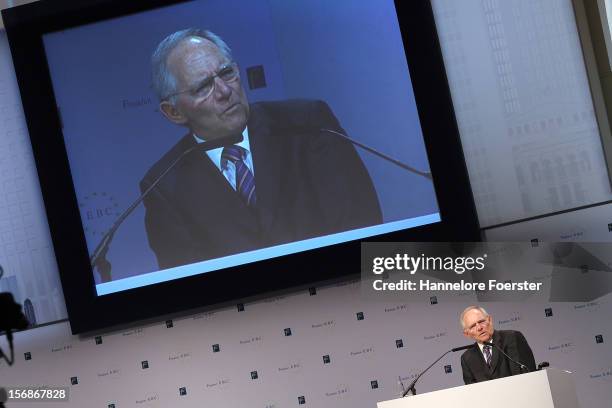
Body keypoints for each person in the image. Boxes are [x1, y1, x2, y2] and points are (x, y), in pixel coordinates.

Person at [141, 28, 382, 269]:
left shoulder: (308, 124)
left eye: (227, 73)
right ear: (174, 112)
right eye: (203, 87)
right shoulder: (164, 186)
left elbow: (364, 226)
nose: (225, 91)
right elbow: (189, 285)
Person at [459, 305, 536, 384]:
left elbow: (527, 375)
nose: (479, 328)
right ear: (467, 334)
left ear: (490, 320)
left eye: (481, 321)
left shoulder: (512, 337)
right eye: (472, 326)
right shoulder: (467, 358)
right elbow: (472, 391)